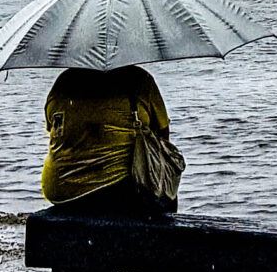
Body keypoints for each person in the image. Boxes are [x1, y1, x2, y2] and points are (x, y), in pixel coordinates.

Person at [40, 62, 184, 217]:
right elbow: (163, 137)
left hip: (60, 192)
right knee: (165, 192)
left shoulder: (63, 81)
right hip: (113, 193)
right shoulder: (139, 79)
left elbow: (53, 129)